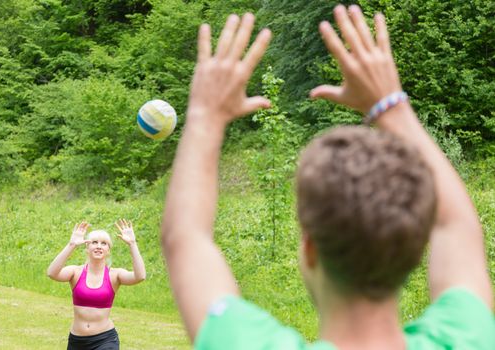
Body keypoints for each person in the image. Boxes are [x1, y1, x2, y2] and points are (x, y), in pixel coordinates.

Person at [161, 4, 495, 350]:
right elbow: (458, 226)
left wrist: (205, 115)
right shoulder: (465, 339)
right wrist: (391, 107)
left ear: (309, 248)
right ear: (416, 248)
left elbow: (185, 237)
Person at [47, 219, 146, 350]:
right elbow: (52, 273)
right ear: (87, 248)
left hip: (105, 340)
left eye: (104, 243)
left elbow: (140, 276)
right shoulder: (75, 272)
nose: (99, 246)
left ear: (108, 250)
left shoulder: (114, 275)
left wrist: (132, 244)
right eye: (94, 242)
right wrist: (71, 245)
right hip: (77, 342)